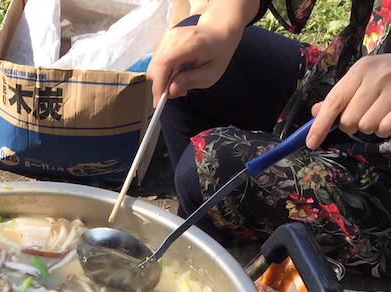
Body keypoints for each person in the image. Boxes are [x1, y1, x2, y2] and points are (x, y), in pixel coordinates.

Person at [146, 0, 391, 277]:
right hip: (345, 80)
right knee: (184, 58)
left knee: (206, 167)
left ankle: (195, 263)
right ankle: (200, 234)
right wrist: (222, 21)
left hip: (382, 176)